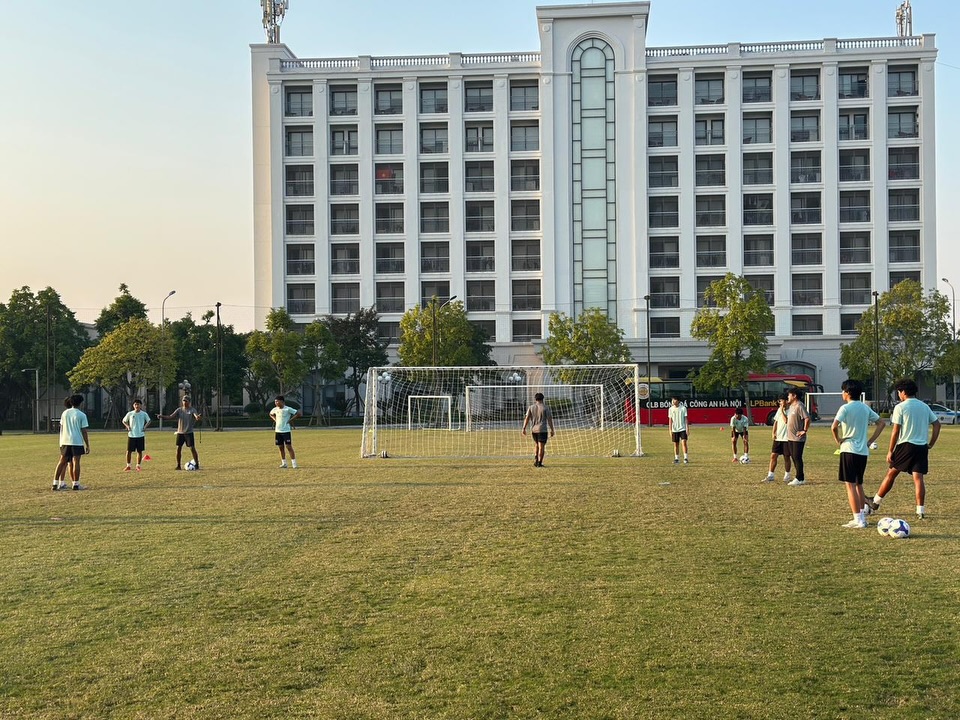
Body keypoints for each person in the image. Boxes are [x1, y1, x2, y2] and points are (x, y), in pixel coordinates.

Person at [866, 378, 940, 521]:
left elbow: (895, 431)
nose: (898, 395)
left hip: (906, 445)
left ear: (903, 392)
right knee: (918, 478)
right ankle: (920, 511)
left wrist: (890, 450)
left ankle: (875, 502)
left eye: (899, 392)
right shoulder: (924, 407)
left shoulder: (900, 407)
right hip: (921, 447)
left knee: (891, 474)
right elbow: (937, 425)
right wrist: (931, 443)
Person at [831, 379, 887, 529]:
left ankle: (858, 519)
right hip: (862, 451)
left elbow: (834, 426)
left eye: (843, 390)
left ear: (848, 392)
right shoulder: (864, 408)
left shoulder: (845, 408)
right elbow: (881, 423)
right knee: (858, 485)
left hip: (849, 450)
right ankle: (862, 517)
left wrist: (838, 440)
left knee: (850, 485)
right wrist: (870, 441)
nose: (842, 393)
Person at [56, 394, 90, 490]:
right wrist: (87, 444)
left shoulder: (65, 413)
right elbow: (84, 431)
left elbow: (62, 427)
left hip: (65, 441)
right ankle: (75, 484)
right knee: (75, 462)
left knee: (62, 462)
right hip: (76, 441)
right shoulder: (82, 415)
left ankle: (56, 483)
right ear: (80, 403)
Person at [158, 396, 202, 470]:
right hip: (180, 432)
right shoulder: (179, 410)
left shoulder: (192, 410)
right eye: (183, 401)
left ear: (189, 402)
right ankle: (178, 465)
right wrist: (162, 416)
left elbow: (196, 416)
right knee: (178, 448)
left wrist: (197, 417)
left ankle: (197, 464)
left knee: (192, 448)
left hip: (189, 432)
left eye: (186, 401)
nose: (184, 402)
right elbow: (171, 416)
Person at [763, 393, 793, 483]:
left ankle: (787, 475)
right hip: (778, 438)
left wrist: (782, 411)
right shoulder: (779, 410)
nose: (780, 402)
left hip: (787, 438)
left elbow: (786, 421)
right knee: (773, 455)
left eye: (781, 400)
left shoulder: (791, 410)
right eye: (779, 401)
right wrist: (773, 432)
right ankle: (770, 475)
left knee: (786, 457)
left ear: (786, 401)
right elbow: (776, 422)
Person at [521, 392, 555, 467]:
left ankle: (536, 460)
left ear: (535, 399)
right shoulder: (545, 407)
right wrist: (552, 429)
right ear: (543, 399)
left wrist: (524, 428)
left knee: (536, 445)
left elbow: (527, 418)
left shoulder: (531, 407)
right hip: (542, 430)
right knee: (541, 446)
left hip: (533, 430)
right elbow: (549, 419)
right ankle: (539, 463)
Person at [784, 387, 810, 486]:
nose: (788, 396)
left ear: (794, 396)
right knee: (793, 457)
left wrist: (804, 430)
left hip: (798, 437)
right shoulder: (791, 406)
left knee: (797, 457)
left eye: (789, 395)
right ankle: (800, 477)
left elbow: (807, 418)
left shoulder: (800, 405)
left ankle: (799, 478)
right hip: (790, 437)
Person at [269, 395, 301, 468]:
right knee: (280, 447)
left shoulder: (287, 409)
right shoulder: (275, 409)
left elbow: (298, 414)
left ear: (282, 401)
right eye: (275, 402)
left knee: (289, 447)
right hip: (278, 431)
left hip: (286, 431)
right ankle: (284, 463)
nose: (276, 403)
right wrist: (275, 419)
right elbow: (271, 414)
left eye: (277, 401)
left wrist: (290, 420)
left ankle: (294, 464)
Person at [122, 398, 152, 471]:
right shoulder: (130, 413)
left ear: (140, 405)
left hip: (140, 435)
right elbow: (124, 421)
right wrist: (127, 426)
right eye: (135, 404)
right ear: (133, 405)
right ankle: (128, 465)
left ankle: (138, 465)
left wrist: (145, 427)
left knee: (139, 451)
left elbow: (149, 421)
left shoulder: (143, 414)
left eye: (138, 404)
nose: (136, 406)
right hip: (131, 435)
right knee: (129, 451)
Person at [668, 396, 689, 464]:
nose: (673, 401)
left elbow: (686, 419)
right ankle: (676, 458)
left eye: (674, 400)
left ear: (678, 401)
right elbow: (670, 420)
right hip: (675, 429)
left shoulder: (683, 408)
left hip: (682, 428)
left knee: (684, 442)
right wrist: (670, 430)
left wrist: (687, 428)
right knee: (676, 444)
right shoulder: (670, 409)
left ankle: (685, 458)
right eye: (672, 400)